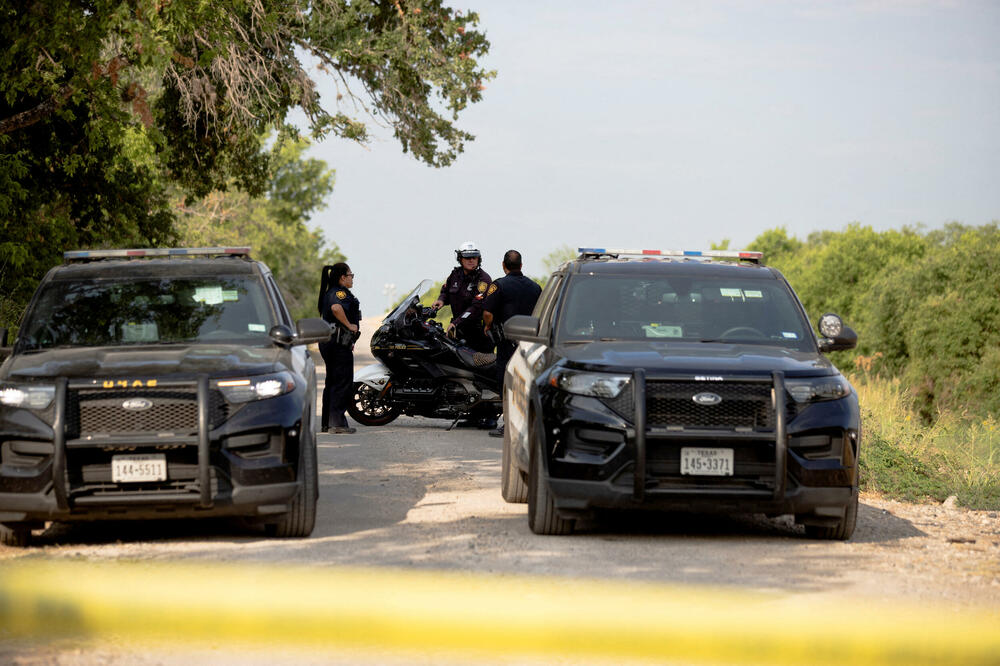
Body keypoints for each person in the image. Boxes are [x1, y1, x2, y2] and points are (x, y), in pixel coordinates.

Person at [482, 249, 542, 437]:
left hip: (507, 343)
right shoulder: (535, 287)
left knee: (506, 382)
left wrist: (488, 326)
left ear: (503, 265)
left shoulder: (498, 286)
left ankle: (509, 424)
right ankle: (526, 423)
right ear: (521, 265)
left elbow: (487, 313)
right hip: (530, 343)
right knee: (526, 381)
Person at [317, 263, 361, 434]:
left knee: (332, 381)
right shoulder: (339, 293)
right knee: (342, 381)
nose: (352, 278)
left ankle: (327, 422)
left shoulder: (331, 292)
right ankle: (337, 423)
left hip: (332, 342)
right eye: (351, 275)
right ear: (343, 277)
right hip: (337, 343)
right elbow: (336, 308)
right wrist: (349, 325)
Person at [431, 241, 493, 353]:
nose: (471, 260)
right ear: (460, 259)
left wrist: (456, 323)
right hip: (457, 331)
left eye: (474, 257)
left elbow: (476, 307)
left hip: (477, 334)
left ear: (479, 259)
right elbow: (446, 290)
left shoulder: (483, 279)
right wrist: (441, 300)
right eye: (467, 257)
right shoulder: (455, 274)